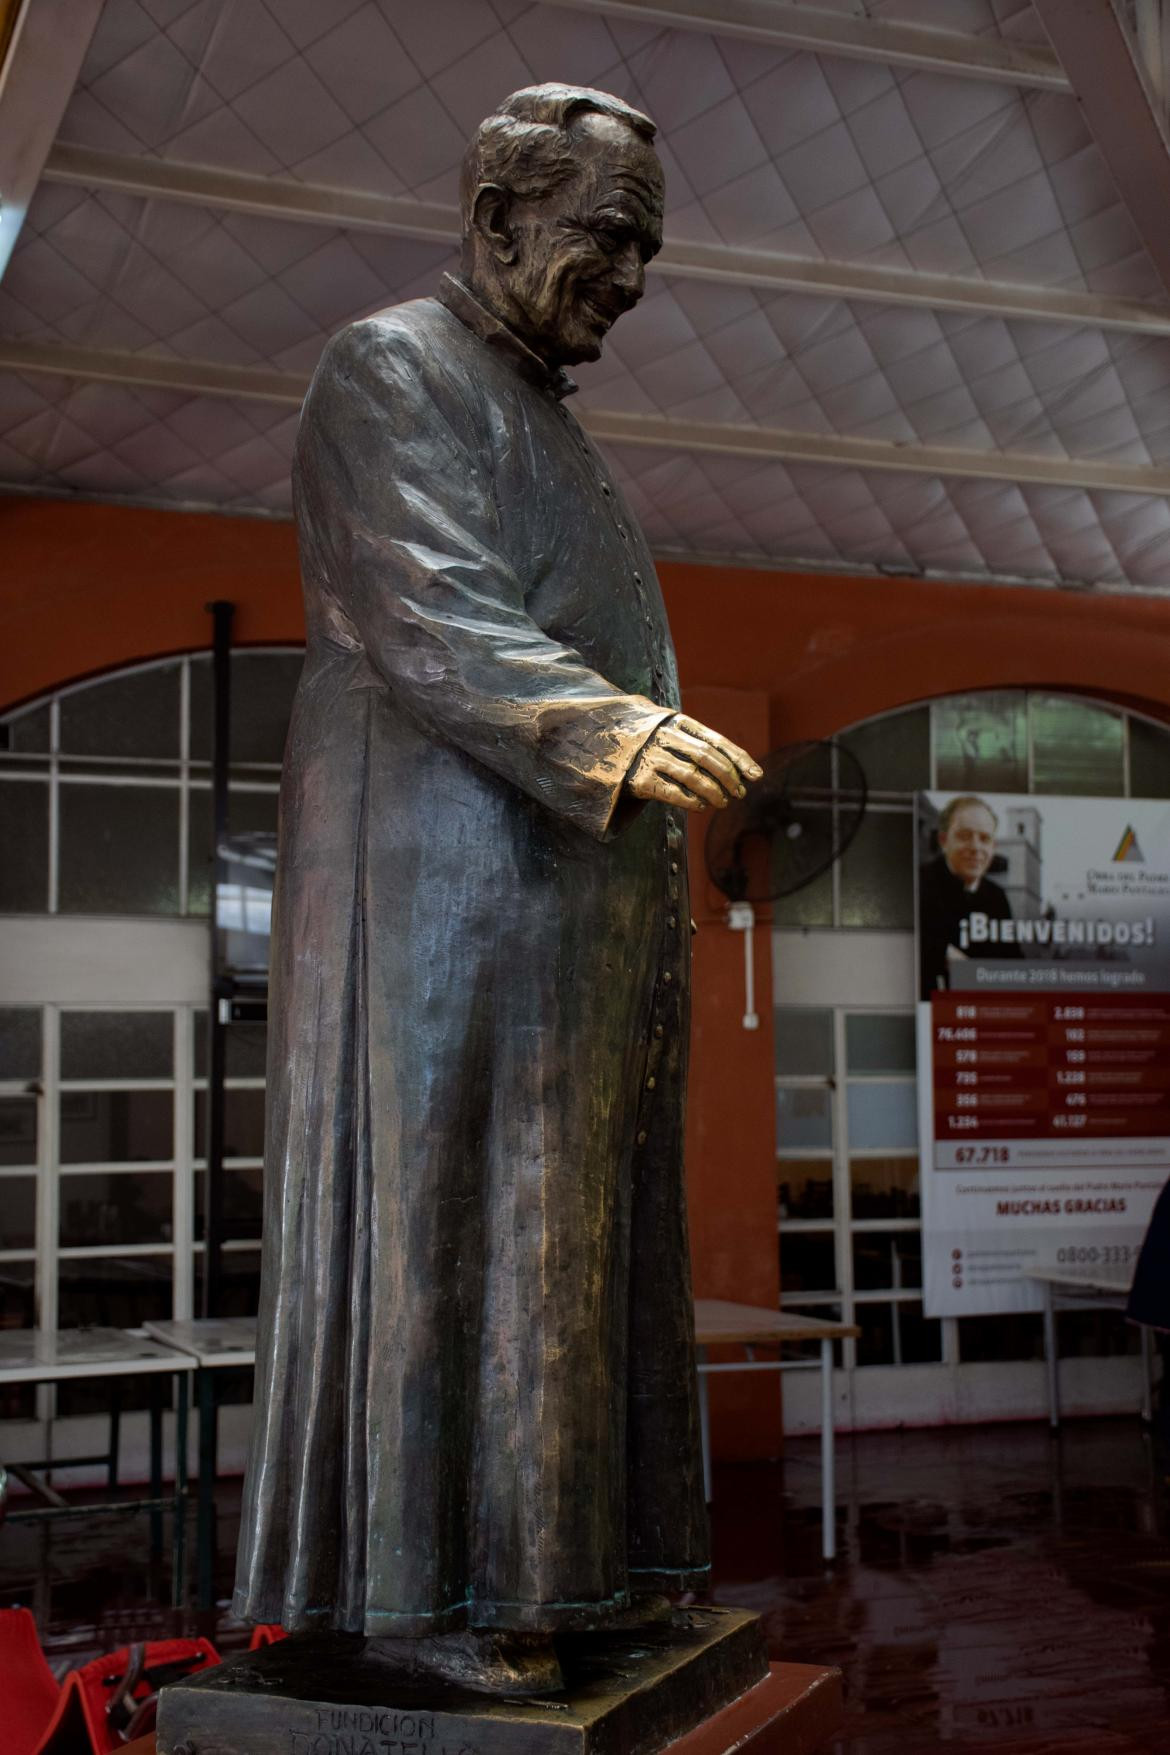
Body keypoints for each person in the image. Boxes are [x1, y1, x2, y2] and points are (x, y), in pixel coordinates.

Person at [231, 84, 761, 1695]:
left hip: (556, 899)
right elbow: (427, 607)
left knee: (568, 1233)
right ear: (497, 219)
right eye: (607, 238)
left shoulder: (545, 412)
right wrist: (613, 729)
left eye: (643, 247)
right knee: (449, 1214)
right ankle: (421, 1593)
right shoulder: (391, 366)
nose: (630, 278)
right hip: (438, 894)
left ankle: (562, 1568)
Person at [918, 794, 1020, 1000]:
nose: (976, 848)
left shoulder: (997, 896)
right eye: (965, 836)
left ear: (993, 847)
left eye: (984, 839)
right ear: (944, 841)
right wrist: (942, 954)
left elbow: (1014, 960)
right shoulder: (919, 884)